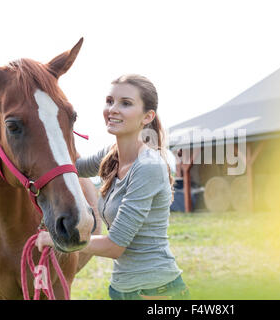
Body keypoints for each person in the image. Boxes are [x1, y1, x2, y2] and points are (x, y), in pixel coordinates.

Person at [36, 74, 190, 300]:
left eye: (125, 103)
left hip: (158, 291)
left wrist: (53, 239)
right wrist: (48, 129)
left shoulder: (148, 166)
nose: (113, 109)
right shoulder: (111, 155)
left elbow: (114, 246)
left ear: (147, 116)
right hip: (121, 290)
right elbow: (69, 168)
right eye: (110, 101)